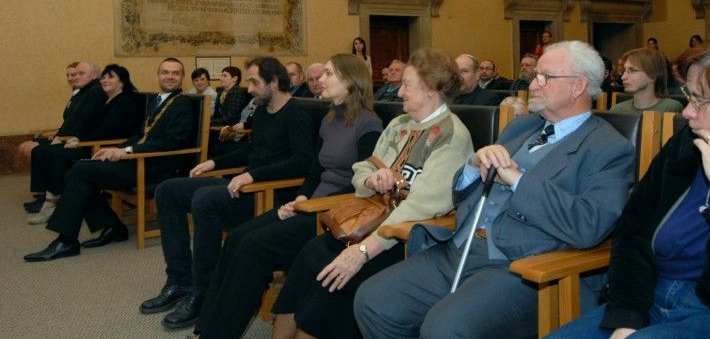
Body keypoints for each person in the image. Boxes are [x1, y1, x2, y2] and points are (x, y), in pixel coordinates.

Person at [355, 41, 636, 339]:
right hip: (459, 248)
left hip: (524, 266)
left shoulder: (608, 149)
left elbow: (588, 225)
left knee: (445, 329)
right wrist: (473, 166)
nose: (534, 84)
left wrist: (517, 180)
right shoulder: (522, 126)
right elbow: (458, 194)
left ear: (579, 85)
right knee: (373, 301)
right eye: (535, 75)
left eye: (545, 77)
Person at [548, 34, 710, 339]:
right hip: (647, 294)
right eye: (688, 96)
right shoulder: (687, 144)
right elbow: (633, 230)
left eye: (700, 101)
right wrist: (627, 316)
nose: (686, 112)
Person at [269, 48, 474, 339]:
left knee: (334, 282)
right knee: (310, 256)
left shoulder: (452, 135)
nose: (399, 92)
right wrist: (373, 180)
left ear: (432, 90)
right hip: (369, 222)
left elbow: (422, 206)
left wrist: (363, 251)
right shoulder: (399, 124)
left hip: (406, 240)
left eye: (407, 85)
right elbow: (361, 170)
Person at [193, 54, 384, 338]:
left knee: (254, 246)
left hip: (335, 213)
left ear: (350, 81)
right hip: (311, 204)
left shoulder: (368, 123)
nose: (321, 79)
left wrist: (311, 205)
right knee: (237, 238)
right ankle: (207, 327)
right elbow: (315, 170)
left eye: (329, 74)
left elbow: (362, 187)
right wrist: (300, 199)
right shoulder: (331, 118)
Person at [140, 57, 315, 330]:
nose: (250, 89)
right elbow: (252, 150)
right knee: (168, 191)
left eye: (255, 82)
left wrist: (254, 175)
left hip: (271, 194)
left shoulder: (296, 114)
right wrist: (214, 163)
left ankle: (204, 292)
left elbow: (303, 161)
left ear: (273, 82)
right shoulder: (261, 112)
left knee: (205, 200)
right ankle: (179, 281)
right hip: (245, 185)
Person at [23, 58, 194, 262]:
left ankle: (69, 240)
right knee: (78, 172)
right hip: (139, 158)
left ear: (182, 77)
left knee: (80, 172)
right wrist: (117, 148)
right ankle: (110, 228)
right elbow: (140, 134)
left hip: (156, 165)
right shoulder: (158, 99)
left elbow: (171, 142)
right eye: (165, 72)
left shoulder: (183, 103)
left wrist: (128, 151)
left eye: (175, 73)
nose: (170, 76)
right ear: (158, 75)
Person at [27, 64, 143, 225]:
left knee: (57, 154)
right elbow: (91, 125)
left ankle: (51, 204)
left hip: (107, 147)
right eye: (104, 77)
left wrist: (81, 141)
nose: (105, 80)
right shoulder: (108, 99)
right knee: (50, 151)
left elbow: (110, 130)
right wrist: (77, 138)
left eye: (111, 77)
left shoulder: (126, 100)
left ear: (122, 81)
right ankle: (51, 199)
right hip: (95, 144)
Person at [22, 61, 106, 211]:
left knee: (45, 151)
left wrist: (61, 138)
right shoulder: (83, 91)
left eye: (80, 74)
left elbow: (84, 123)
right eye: (73, 74)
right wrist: (58, 135)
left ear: (94, 75)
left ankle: (52, 198)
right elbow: (72, 121)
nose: (74, 77)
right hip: (70, 137)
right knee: (40, 150)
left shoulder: (96, 92)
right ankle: (46, 195)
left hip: (85, 144)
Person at [610, 48, 683, 113]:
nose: (623, 77)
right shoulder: (617, 110)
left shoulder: (671, 108)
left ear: (652, 76)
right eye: (624, 71)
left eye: (632, 71)